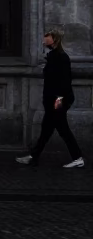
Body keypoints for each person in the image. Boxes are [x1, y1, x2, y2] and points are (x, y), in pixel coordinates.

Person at [17, 27, 84, 169]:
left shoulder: (60, 57)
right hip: (52, 100)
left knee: (62, 130)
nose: (44, 39)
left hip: (57, 101)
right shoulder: (54, 55)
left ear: (54, 39)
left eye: (47, 36)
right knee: (46, 129)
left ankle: (77, 158)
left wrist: (58, 102)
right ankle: (34, 156)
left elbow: (64, 82)